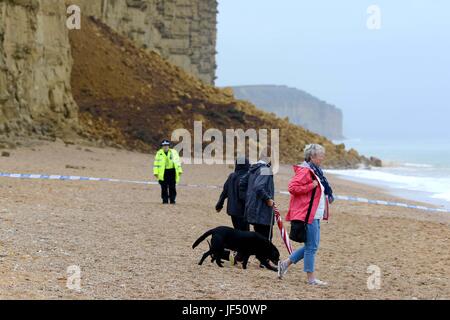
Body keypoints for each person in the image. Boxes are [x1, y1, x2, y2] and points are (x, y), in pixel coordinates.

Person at [277, 144, 334, 286]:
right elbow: (292, 187)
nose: (323, 157)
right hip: (308, 215)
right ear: (312, 156)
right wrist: (311, 185)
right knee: (311, 247)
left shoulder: (316, 171)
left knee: (311, 246)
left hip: (315, 214)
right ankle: (311, 279)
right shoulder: (306, 171)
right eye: (321, 155)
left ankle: (284, 264)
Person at [239, 150, 277, 270]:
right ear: (269, 158)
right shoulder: (265, 169)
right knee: (266, 236)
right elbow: (258, 187)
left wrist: (249, 199)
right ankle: (263, 260)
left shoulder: (253, 168)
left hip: (252, 208)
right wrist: (268, 199)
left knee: (258, 236)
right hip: (262, 210)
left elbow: (242, 183)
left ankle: (249, 257)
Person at [215, 157, 251, 232]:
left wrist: (219, 205)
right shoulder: (246, 177)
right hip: (242, 211)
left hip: (232, 211)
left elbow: (224, 192)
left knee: (237, 231)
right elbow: (243, 196)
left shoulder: (231, 176)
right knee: (245, 233)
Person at [153, 140, 183, 204]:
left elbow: (178, 162)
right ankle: (165, 200)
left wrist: (180, 170)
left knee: (172, 186)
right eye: (164, 145)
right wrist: (155, 172)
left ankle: (172, 200)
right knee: (163, 187)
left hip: (172, 171)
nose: (165, 147)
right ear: (162, 146)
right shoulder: (159, 153)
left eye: (166, 145)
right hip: (163, 172)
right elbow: (156, 164)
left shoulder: (174, 152)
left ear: (169, 146)